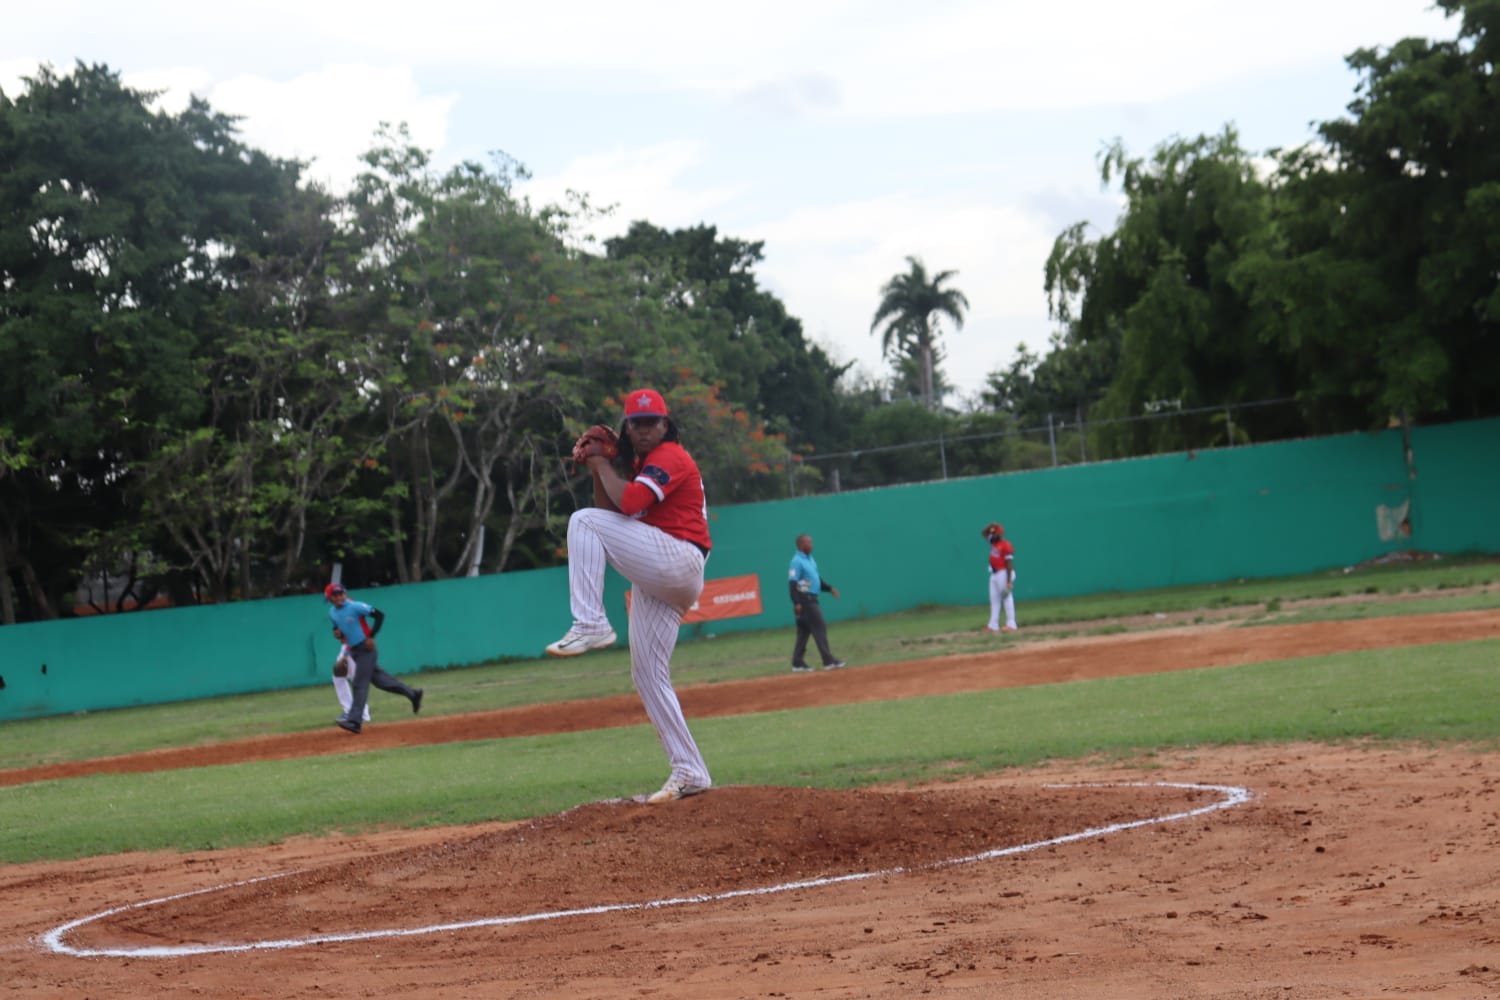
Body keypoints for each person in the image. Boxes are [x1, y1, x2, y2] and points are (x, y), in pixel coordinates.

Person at [545, 388, 714, 804]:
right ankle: (690, 770)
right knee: (648, 674)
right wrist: (597, 469)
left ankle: (591, 623)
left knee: (582, 521)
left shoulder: (670, 456)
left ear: (665, 425)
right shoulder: (641, 466)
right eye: (636, 424)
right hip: (663, 571)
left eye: (651, 422)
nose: (643, 430)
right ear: (627, 427)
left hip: (678, 557)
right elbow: (615, 513)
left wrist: (603, 462)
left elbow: (630, 501)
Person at [324, 582, 423, 734]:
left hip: (366, 649)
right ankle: (413, 694)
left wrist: (371, 636)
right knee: (381, 682)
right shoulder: (332, 613)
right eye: (335, 595)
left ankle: (355, 721)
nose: (339, 597)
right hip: (353, 651)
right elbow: (340, 631)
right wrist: (338, 636)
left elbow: (379, 615)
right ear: (329, 598)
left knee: (359, 682)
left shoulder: (355, 606)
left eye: (341, 593)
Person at [788, 533, 846, 672]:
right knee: (819, 628)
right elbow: (793, 583)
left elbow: (814, 579)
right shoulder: (796, 561)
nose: (812, 545)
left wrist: (829, 588)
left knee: (803, 632)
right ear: (801, 545)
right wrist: (797, 602)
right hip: (806, 601)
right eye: (809, 542)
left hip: (810, 598)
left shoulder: (810, 559)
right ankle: (828, 661)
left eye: (811, 542)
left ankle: (797, 663)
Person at [329, 628, 371, 724]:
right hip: (346, 646)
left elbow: (353, 630)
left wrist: (346, 653)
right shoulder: (335, 618)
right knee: (338, 677)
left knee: (356, 680)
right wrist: (338, 632)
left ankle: (363, 714)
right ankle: (350, 711)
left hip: (353, 647)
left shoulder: (351, 618)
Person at [983, 522, 1017, 633]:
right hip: (994, 574)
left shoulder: (1006, 545)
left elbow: (1009, 563)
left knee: (1006, 598)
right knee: (994, 599)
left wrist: (1009, 581)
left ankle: (1011, 624)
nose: (992, 535)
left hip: (1004, 573)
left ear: (1000, 534)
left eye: (994, 533)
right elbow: (984, 533)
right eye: (992, 533)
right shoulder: (994, 543)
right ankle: (993, 625)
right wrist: (991, 525)